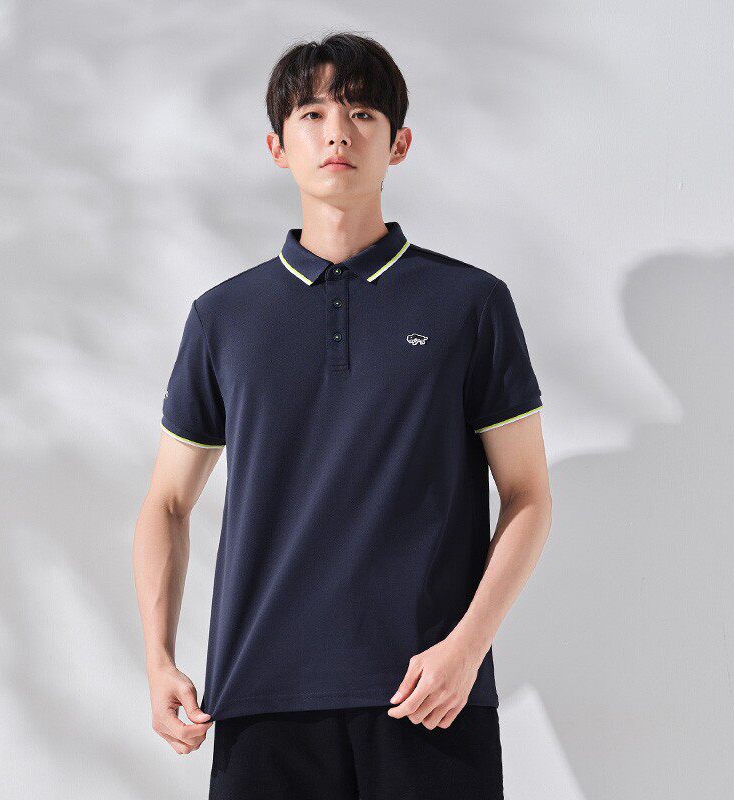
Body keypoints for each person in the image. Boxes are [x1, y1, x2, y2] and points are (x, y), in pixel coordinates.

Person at [133, 31, 552, 800]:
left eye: (362, 113)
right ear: (276, 147)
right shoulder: (224, 317)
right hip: (261, 698)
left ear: (399, 144)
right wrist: (158, 660)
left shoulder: (470, 304)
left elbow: (528, 495)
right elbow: (166, 501)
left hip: (430, 696)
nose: (337, 133)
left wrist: (466, 648)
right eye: (313, 114)